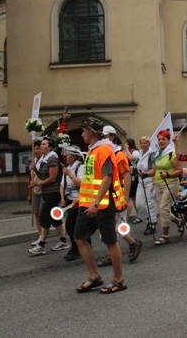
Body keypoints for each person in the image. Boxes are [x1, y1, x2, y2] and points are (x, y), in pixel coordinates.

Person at [73, 118, 128, 294]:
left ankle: (119, 280)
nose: (82, 134)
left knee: (110, 241)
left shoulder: (103, 149)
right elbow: (90, 180)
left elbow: (107, 177)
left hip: (102, 206)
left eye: (83, 131)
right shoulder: (93, 151)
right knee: (79, 237)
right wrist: (80, 198)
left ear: (91, 132)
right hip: (88, 204)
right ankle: (94, 276)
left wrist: (95, 203)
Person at [101, 127, 143, 265]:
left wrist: (125, 198)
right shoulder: (106, 153)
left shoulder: (118, 155)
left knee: (116, 226)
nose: (102, 139)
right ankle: (131, 244)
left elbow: (127, 176)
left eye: (105, 136)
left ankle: (129, 245)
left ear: (112, 137)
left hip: (116, 196)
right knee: (110, 227)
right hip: (106, 196)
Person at [139, 129, 184, 245]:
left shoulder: (172, 153)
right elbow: (154, 170)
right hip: (158, 184)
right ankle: (178, 221)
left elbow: (180, 171)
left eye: (163, 139)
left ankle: (165, 236)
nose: (161, 141)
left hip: (171, 183)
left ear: (168, 141)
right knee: (162, 209)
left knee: (163, 208)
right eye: (159, 139)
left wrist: (168, 174)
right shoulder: (158, 154)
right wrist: (145, 174)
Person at [28, 137, 71, 255]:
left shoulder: (52, 159)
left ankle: (41, 244)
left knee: (44, 217)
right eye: (41, 144)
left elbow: (52, 178)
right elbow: (43, 176)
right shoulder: (43, 160)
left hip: (53, 192)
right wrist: (35, 169)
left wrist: (37, 183)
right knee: (54, 218)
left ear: (50, 147)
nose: (41, 146)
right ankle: (63, 241)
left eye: (44, 144)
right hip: (46, 192)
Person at [61, 145, 83, 261]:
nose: (66, 157)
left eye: (68, 155)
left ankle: (76, 248)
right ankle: (80, 247)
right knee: (72, 226)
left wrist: (70, 174)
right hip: (69, 200)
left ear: (74, 157)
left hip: (78, 200)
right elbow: (62, 185)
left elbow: (80, 183)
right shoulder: (67, 167)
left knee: (71, 225)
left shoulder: (79, 167)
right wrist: (62, 198)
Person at [134, 136, 157, 235]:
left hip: (149, 180)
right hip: (140, 181)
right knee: (139, 204)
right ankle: (149, 219)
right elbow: (134, 163)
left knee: (150, 203)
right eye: (141, 143)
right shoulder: (139, 154)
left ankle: (152, 224)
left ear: (149, 144)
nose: (143, 145)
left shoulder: (152, 154)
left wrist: (153, 182)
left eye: (145, 143)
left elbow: (154, 169)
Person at [27, 140, 44, 245]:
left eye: (38, 148)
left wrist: (35, 169)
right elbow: (31, 178)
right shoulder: (33, 160)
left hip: (43, 189)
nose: (36, 150)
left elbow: (43, 176)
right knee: (36, 213)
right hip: (35, 190)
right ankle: (40, 234)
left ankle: (43, 235)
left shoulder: (43, 161)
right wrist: (29, 194)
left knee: (42, 214)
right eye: (35, 148)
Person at [123, 138, 140, 222]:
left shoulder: (135, 152)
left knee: (131, 198)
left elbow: (131, 158)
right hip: (129, 176)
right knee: (132, 198)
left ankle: (126, 217)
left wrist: (126, 149)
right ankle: (138, 215)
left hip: (134, 177)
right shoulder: (125, 153)